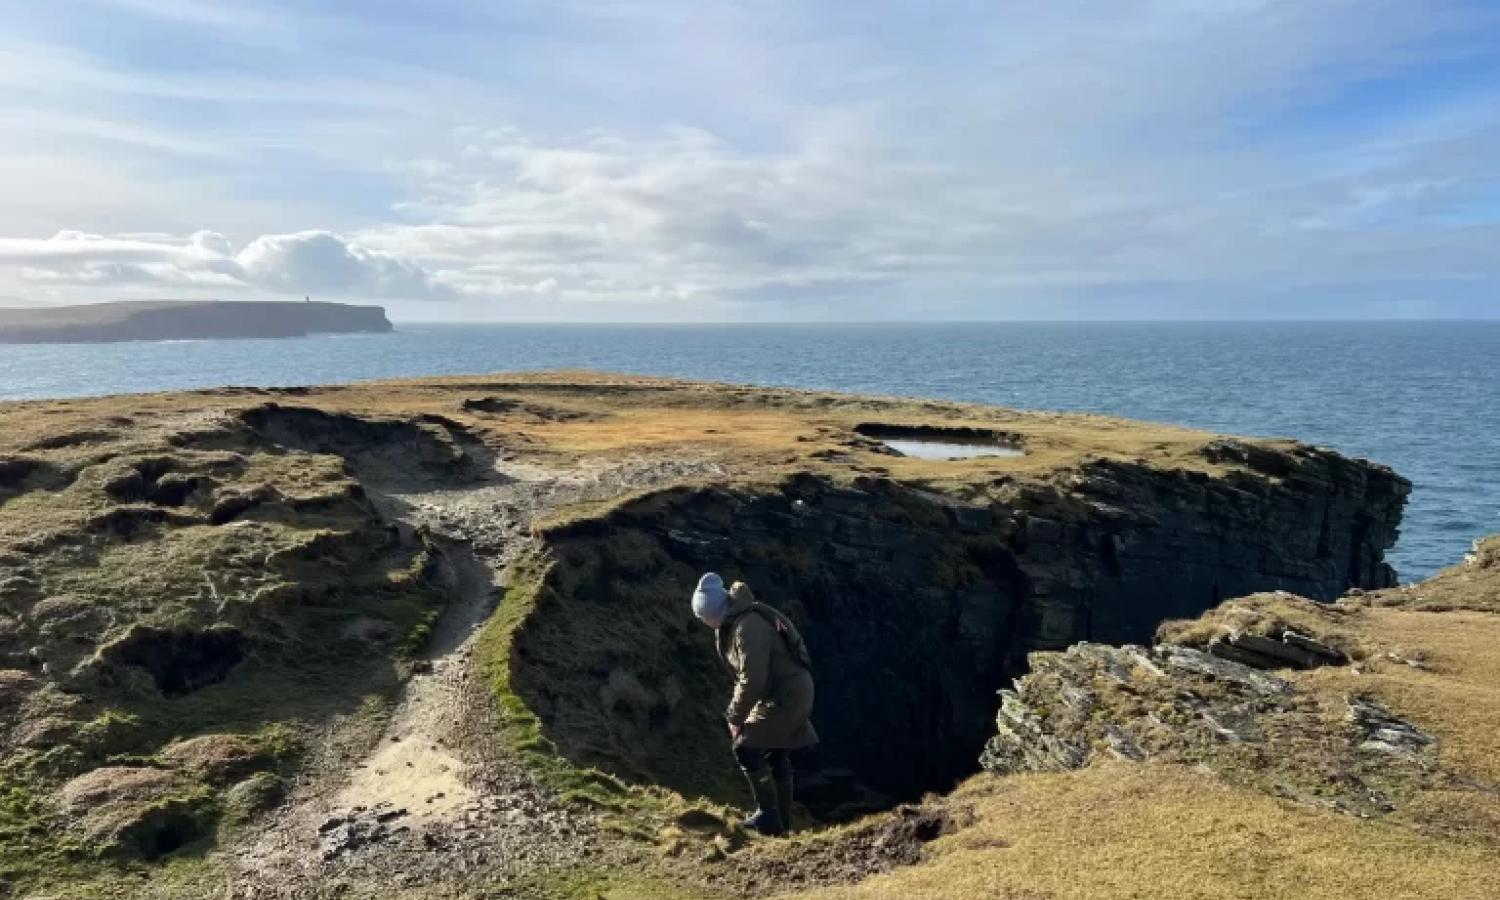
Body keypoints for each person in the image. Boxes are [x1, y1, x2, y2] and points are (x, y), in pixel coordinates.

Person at [691, 572, 817, 836]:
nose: (702, 622)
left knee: (745, 747)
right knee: (775, 752)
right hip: (789, 693)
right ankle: (782, 823)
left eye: (702, 616)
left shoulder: (747, 627)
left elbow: (752, 679)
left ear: (712, 611)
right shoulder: (736, 621)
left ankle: (769, 816)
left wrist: (734, 718)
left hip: (786, 698)